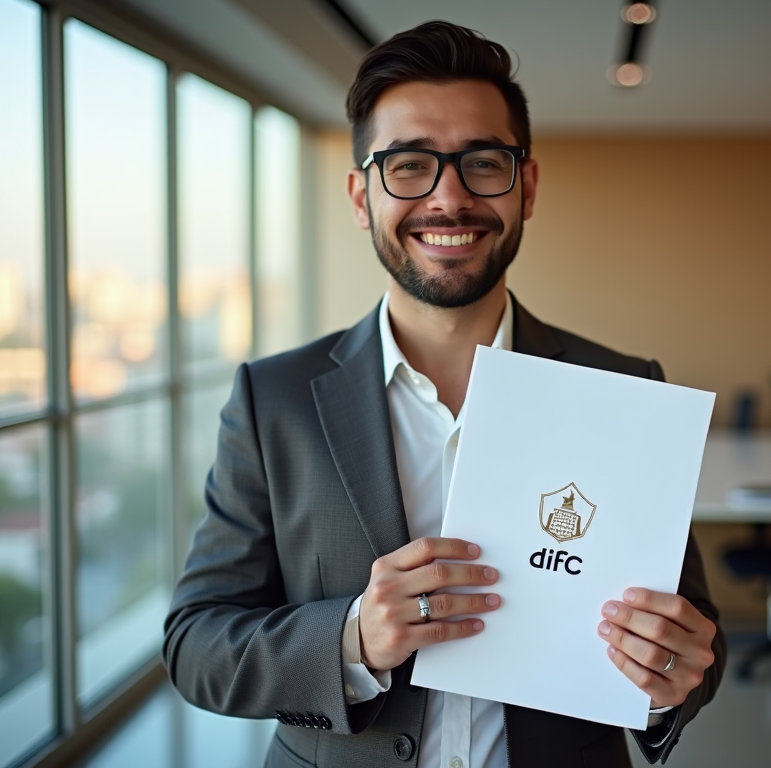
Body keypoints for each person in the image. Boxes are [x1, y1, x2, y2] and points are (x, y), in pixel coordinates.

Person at [163, 20, 725, 768]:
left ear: (526, 186)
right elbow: (197, 642)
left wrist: (669, 680)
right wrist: (353, 635)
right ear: (362, 195)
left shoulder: (625, 389)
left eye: (482, 162)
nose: (449, 197)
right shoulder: (275, 402)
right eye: (409, 165)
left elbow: (693, 640)